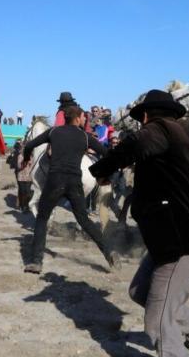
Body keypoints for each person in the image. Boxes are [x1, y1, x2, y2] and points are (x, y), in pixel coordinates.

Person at [89, 90, 189, 357]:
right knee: (139, 291)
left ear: (147, 115)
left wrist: (101, 170)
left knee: (155, 318)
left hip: (180, 243)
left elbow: (135, 144)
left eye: (141, 120)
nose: (140, 125)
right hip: (175, 240)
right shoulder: (179, 140)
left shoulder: (158, 130)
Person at [21, 105, 117, 274]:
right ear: (78, 118)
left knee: (42, 218)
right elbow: (106, 153)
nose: (85, 119)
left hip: (54, 180)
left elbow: (30, 145)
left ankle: (36, 262)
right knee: (84, 220)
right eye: (83, 117)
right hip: (74, 182)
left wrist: (26, 159)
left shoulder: (53, 132)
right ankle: (109, 253)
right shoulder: (85, 136)